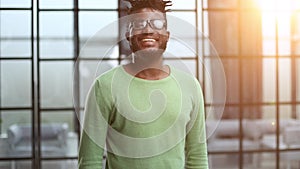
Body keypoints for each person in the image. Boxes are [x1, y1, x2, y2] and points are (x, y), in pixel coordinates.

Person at [78, 0, 209, 168]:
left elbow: (197, 158)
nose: (148, 30)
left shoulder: (190, 86)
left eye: (157, 23)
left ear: (167, 35)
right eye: (139, 23)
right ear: (128, 35)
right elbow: (89, 162)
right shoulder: (104, 86)